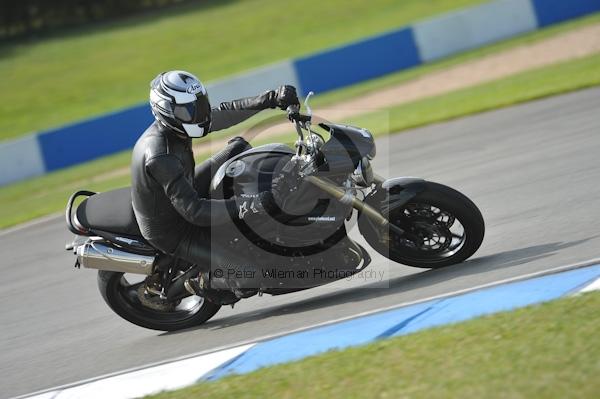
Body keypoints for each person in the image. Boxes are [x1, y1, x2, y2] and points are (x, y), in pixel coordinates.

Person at [131, 70, 299, 299]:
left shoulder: (181, 123)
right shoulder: (161, 156)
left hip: (182, 188)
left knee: (238, 148)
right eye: (189, 110)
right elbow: (195, 212)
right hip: (172, 227)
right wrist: (249, 204)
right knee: (249, 277)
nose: (198, 114)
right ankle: (199, 282)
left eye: (199, 105)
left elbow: (224, 113)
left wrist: (270, 98)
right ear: (167, 111)